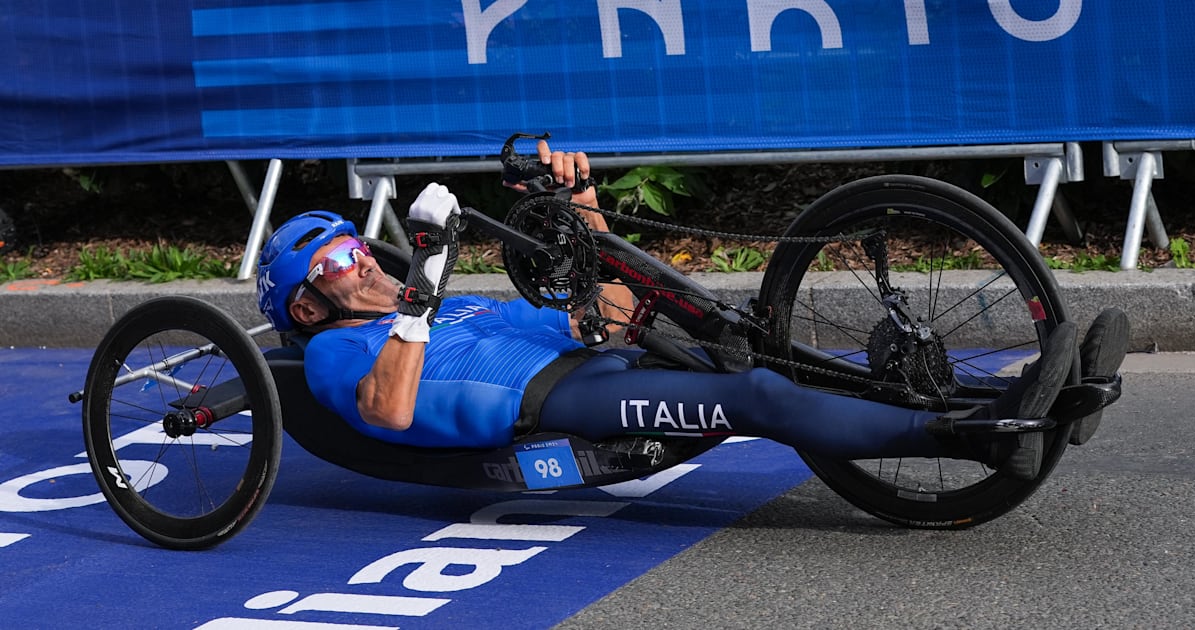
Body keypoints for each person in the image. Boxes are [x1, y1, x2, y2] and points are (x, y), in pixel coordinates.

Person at [255, 142, 1127, 482]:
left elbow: (612, 306)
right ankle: (986, 437)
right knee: (754, 398)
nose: (361, 257)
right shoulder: (340, 354)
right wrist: (420, 292)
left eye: (360, 244)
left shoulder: (453, 306)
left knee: (741, 337)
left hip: (602, 359)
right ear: (305, 299)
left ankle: (1013, 393)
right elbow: (391, 411)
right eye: (335, 257)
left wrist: (582, 206)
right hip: (561, 406)